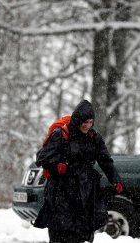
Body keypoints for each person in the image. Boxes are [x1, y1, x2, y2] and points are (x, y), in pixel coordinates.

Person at [34, 100, 123, 243]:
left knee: (83, 230)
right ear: (78, 120)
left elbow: (105, 160)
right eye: (85, 122)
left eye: (90, 122)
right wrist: (57, 166)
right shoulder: (61, 135)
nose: (87, 126)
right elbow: (41, 158)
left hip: (86, 190)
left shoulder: (94, 138)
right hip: (62, 190)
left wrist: (115, 179)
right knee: (62, 229)